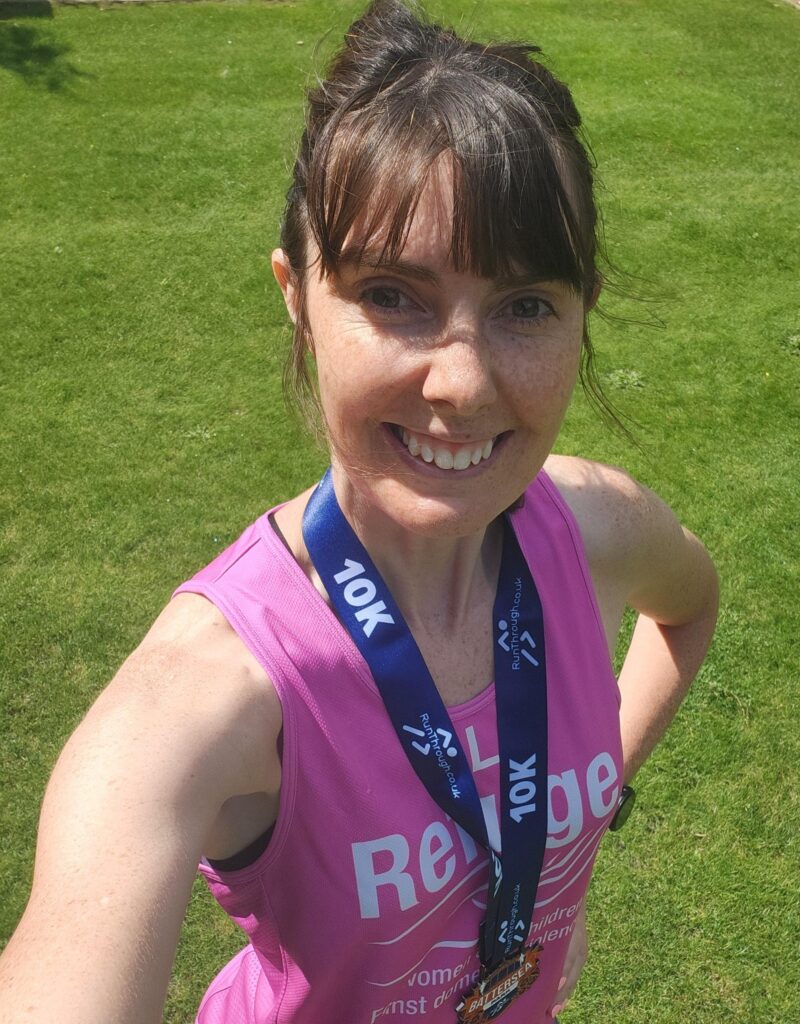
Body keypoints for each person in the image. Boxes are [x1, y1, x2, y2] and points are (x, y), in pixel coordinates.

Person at [0, 2, 719, 1023]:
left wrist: (588, 801)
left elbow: (688, 608)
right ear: (297, 295)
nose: (461, 385)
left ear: (580, 310)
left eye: (524, 306)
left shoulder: (594, 526)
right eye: (391, 295)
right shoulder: (209, 696)